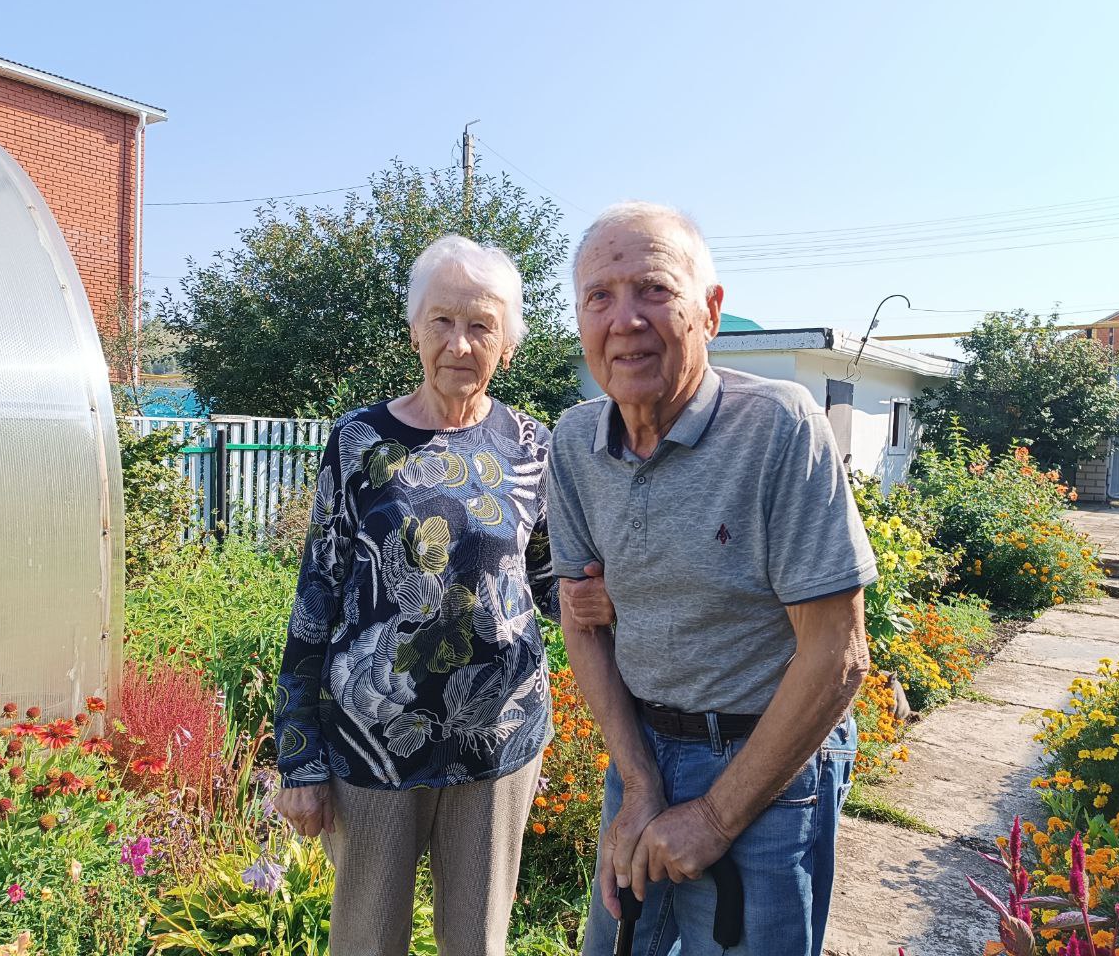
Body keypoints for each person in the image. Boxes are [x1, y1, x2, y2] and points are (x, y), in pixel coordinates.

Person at [548, 202, 877, 956]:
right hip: (641, 751)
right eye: (600, 296)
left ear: (710, 311)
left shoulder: (779, 427)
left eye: (654, 290)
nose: (625, 319)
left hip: (764, 763)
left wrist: (715, 817)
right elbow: (579, 618)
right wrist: (638, 781)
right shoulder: (574, 442)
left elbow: (839, 654)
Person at [271, 234, 613, 956]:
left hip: (499, 742)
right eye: (443, 321)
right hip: (372, 746)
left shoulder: (533, 445)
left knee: (478, 943)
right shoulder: (359, 440)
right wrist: (298, 757)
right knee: (365, 942)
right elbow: (317, 593)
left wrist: (608, 597)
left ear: (508, 345)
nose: (460, 342)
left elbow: (551, 579)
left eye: (482, 324)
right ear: (414, 329)